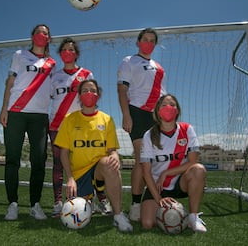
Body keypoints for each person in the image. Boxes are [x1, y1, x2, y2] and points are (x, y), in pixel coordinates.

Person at [54, 79, 133, 232]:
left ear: (98, 95)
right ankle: (92, 199)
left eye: (93, 90)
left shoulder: (107, 119)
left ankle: (118, 215)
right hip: (79, 174)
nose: (89, 93)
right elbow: (63, 153)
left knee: (110, 164)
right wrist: (70, 178)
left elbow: (111, 150)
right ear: (79, 96)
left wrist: (115, 155)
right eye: (85, 90)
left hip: (99, 170)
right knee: (79, 212)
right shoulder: (69, 119)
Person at [49, 37, 112, 217]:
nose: (67, 52)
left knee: (91, 162)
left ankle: (101, 201)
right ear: (60, 54)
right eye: (64, 50)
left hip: (82, 125)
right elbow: (51, 99)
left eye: (71, 49)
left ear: (76, 54)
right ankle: (57, 203)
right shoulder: (55, 76)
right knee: (58, 164)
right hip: (57, 125)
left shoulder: (87, 74)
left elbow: (91, 95)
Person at [0, 24, 56, 221]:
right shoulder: (20, 55)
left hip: (40, 116)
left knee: (39, 161)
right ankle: (12, 204)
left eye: (45, 33)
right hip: (16, 112)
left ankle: (35, 204)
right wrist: (4, 109)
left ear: (49, 39)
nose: (42, 35)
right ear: (33, 36)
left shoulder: (52, 63)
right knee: (12, 159)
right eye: (39, 32)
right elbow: (10, 82)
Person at [117, 27, 166, 221]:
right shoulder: (129, 61)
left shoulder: (160, 67)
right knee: (141, 159)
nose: (148, 43)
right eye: (145, 39)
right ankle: (136, 205)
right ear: (138, 42)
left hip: (156, 116)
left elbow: (162, 94)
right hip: (137, 112)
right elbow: (122, 90)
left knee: (153, 161)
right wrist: (126, 115)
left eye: (152, 40)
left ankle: (151, 200)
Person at [140, 94, 207, 233]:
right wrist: (158, 199)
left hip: (179, 183)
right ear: (158, 111)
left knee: (199, 169)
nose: (168, 108)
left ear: (178, 110)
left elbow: (193, 161)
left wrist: (167, 172)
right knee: (147, 223)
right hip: (157, 186)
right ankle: (173, 208)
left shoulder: (187, 129)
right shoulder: (149, 135)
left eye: (172, 105)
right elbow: (146, 172)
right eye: (164, 105)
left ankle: (193, 217)